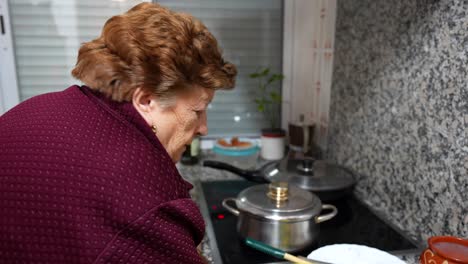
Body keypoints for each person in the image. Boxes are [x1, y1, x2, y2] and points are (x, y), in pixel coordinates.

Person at [0, 3, 236, 263]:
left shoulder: (40, 105)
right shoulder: (144, 202)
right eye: (198, 110)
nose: (204, 127)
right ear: (146, 100)